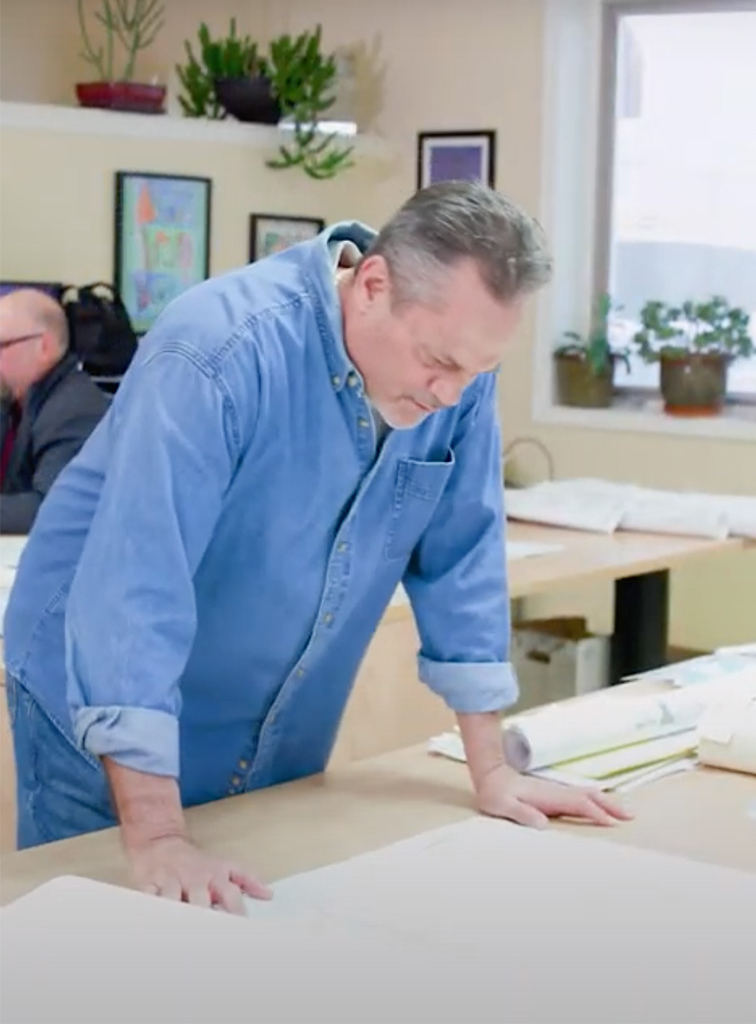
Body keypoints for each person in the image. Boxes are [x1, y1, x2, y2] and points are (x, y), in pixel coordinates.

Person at [3, 182, 631, 912]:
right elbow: (136, 587)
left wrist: (491, 769)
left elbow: (463, 555)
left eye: (476, 371)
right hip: (96, 693)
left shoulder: (453, 381)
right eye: (440, 362)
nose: (450, 394)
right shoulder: (216, 350)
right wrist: (157, 836)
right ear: (371, 284)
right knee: (114, 938)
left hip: (274, 702)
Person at [0, 288, 109, 533]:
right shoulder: (13, 400)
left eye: (2, 345)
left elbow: (52, 505)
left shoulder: (74, 410)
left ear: (44, 347)